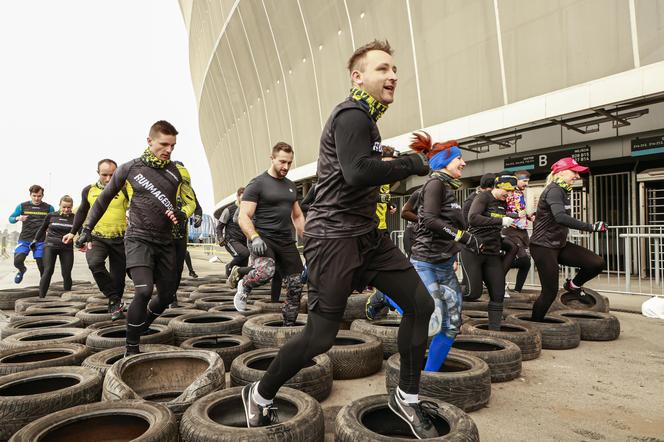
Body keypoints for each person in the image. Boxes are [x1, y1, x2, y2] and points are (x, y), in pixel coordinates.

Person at [240, 40, 437, 439]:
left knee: (421, 304)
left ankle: (407, 398)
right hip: (333, 238)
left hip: (368, 237)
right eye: (383, 69)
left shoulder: (368, 120)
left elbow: (362, 173)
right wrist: (411, 164)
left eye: (395, 69)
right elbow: (356, 172)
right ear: (358, 77)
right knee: (320, 335)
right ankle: (259, 394)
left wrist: (390, 167)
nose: (393, 75)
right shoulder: (352, 113)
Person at [74, 120, 196, 357]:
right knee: (143, 291)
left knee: (167, 296)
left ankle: (142, 325)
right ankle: (131, 348)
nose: (168, 150)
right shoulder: (130, 168)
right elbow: (103, 200)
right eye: (164, 144)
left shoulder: (177, 171)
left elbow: (191, 201)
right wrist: (87, 229)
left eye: (173, 146)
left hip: (167, 241)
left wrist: (183, 213)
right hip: (138, 238)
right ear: (150, 141)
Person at [409, 131, 482, 373]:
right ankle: (385, 295)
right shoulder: (435, 183)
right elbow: (429, 220)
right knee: (432, 316)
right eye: (459, 158)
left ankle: (430, 376)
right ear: (443, 162)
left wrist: (456, 251)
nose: (464, 162)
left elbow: (449, 226)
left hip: (444, 264)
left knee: (451, 325)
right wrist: (462, 236)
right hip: (425, 262)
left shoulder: (449, 188)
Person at [234, 142, 305, 327]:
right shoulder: (257, 184)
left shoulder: (291, 186)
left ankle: (288, 326)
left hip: (285, 241)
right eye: (282, 162)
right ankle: (244, 284)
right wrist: (254, 237)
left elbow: (297, 216)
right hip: (263, 238)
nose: (286, 167)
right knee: (266, 272)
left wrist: (309, 239)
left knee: (297, 285)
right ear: (272, 158)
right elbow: (244, 216)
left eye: (289, 163)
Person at [530, 157, 607, 321]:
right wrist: (591, 227)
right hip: (543, 247)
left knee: (596, 263)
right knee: (549, 293)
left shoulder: (563, 190)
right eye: (575, 172)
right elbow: (560, 217)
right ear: (561, 172)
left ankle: (573, 285)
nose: (578, 176)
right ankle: (534, 326)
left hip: (559, 245)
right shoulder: (554, 190)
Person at [64, 159, 129, 320]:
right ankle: (114, 298)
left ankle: (115, 306)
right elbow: (82, 212)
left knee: (118, 278)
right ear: (98, 173)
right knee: (95, 263)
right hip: (97, 237)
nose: (108, 179)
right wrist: (73, 232)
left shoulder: (125, 188)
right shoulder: (89, 190)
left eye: (112, 175)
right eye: (104, 174)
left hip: (121, 239)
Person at [461, 175, 517, 330]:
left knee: (498, 295)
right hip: (473, 250)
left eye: (512, 192)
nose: (510, 195)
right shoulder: (483, 197)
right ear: (498, 186)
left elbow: (495, 219)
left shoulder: (503, 203)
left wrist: (511, 218)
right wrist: (501, 221)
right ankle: (444, 295)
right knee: (473, 293)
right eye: (508, 190)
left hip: (492, 252)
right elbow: (473, 218)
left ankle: (494, 331)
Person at [8, 185, 54, 283]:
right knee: (17, 260)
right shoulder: (22, 206)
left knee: (41, 265)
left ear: (42, 195)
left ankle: (43, 287)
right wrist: (17, 218)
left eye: (39, 196)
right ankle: (22, 269)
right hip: (25, 238)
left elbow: (54, 221)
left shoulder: (49, 208)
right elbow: (11, 219)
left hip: (41, 240)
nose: (36, 198)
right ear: (30, 195)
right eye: (34, 196)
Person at [460, 173, 496, 297]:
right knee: (471, 290)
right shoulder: (474, 199)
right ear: (490, 187)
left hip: (484, 243)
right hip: (470, 243)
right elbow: (466, 221)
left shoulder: (486, 198)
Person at [171, 161, 200, 307]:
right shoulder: (163, 186)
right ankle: (169, 295)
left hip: (181, 234)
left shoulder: (188, 189)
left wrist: (198, 219)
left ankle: (172, 296)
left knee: (178, 268)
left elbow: (197, 206)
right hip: (163, 234)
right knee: (165, 267)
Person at [34, 195, 75, 298]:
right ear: (59, 205)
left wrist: (84, 242)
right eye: (64, 207)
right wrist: (35, 240)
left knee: (66, 273)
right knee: (48, 270)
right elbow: (42, 229)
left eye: (69, 207)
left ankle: (67, 298)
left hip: (67, 248)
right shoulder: (51, 215)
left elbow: (81, 231)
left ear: (72, 207)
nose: (66, 209)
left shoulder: (75, 218)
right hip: (50, 246)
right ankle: (41, 297)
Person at [502, 170, 533, 294]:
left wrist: (529, 216)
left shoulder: (520, 193)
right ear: (516, 179)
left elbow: (520, 212)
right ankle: (495, 277)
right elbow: (500, 211)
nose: (526, 184)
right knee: (524, 260)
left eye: (527, 181)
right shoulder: (508, 192)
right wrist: (515, 215)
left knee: (526, 264)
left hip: (522, 232)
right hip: (511, 231)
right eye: (524, 181)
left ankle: (517, 291)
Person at [220, 187, 250, 285]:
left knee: (243, 265)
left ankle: (235, 284)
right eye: (243, 197)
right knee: (245, 253)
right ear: (237, 196)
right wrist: (220, 238)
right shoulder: (228, 210)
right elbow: (219, 227)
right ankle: (229, 265)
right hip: (231, 240)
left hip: (243, 241)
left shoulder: (248, 210)